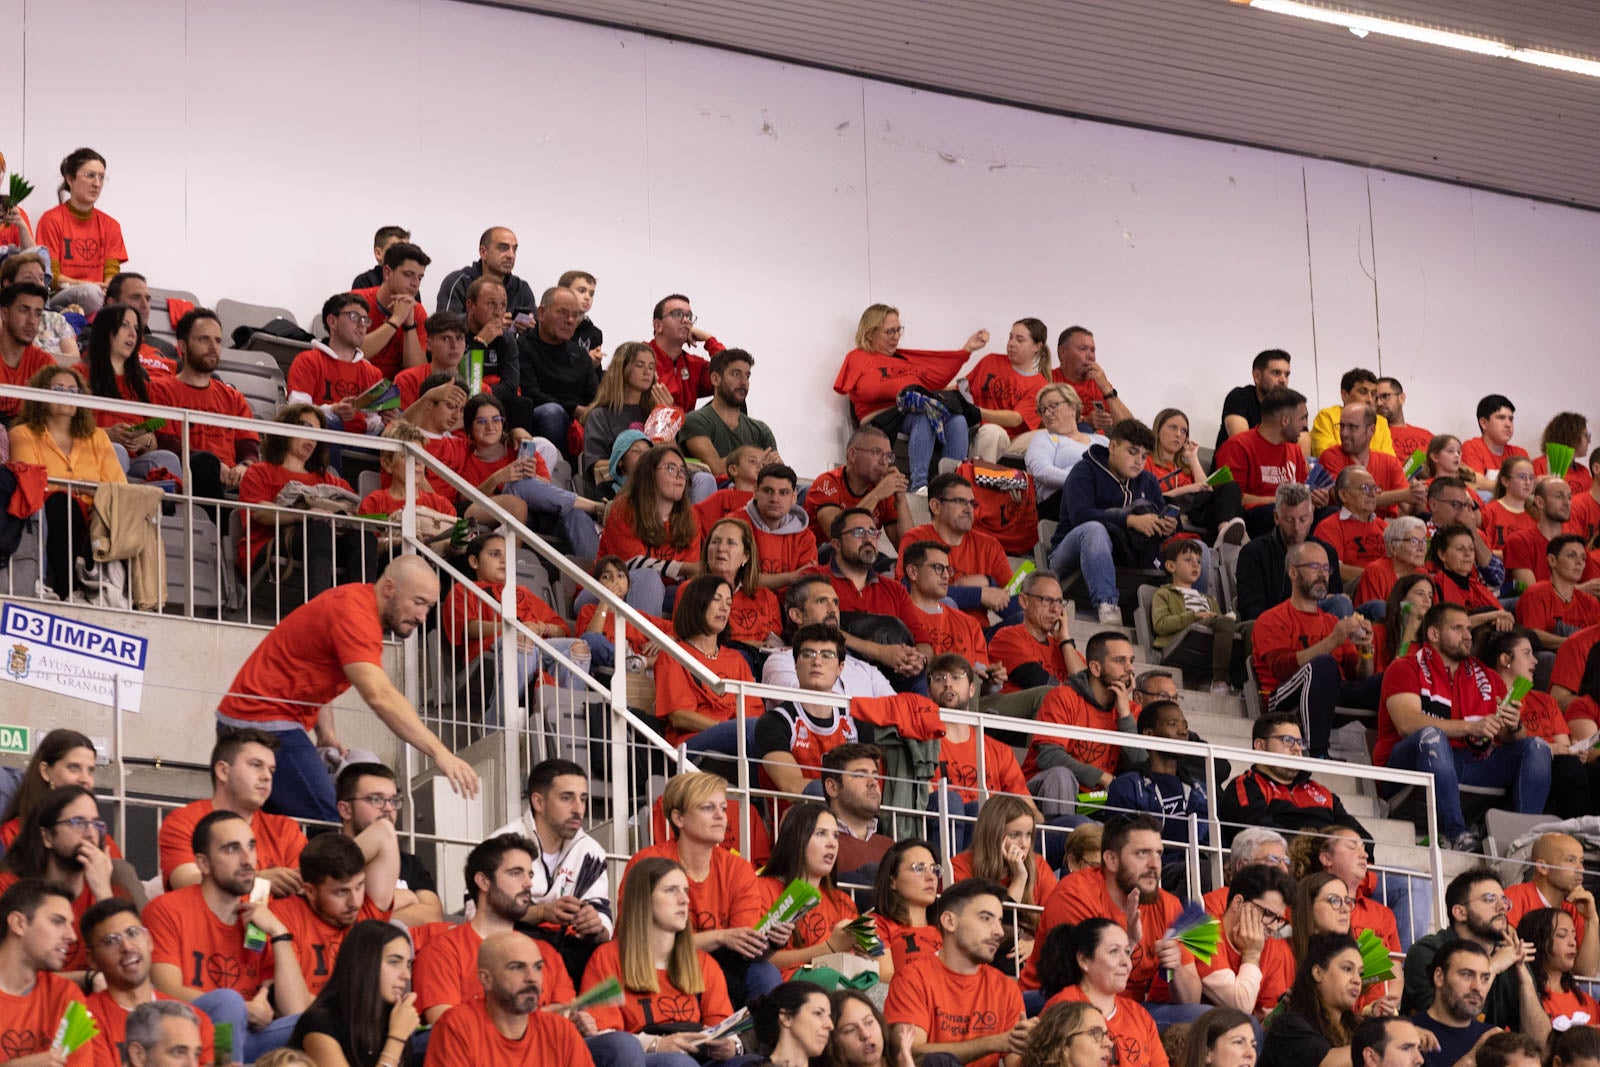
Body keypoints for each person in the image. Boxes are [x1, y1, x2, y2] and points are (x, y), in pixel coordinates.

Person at [215, 556, 480, 820]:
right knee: (330, 822)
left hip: (259, 720)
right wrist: (440, 752)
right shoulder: (355, 614)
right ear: (388, 588)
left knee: (278, 829)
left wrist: (326, 733)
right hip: (258, 722)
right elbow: (380, 696)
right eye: (418, 602)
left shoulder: (357, 605)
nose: (423, 617)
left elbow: (315, 671)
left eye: (430, 607)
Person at [1377, 603, 1550, 850]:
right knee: (1431, 736)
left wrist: (1513, 726)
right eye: (1458, 629)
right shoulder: (1405, 667)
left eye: (1469, 629)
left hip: (1469, 762)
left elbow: (1511, 737)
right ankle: (1457, 833)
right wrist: (1471, 727)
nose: (1468, 635)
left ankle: (1523, 842)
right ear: (1434, 634)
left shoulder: (1488, 677)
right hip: (1409, 766)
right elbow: (1407, 723)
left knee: (1536, 746)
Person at [146, 811, 312, 1060]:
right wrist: (242, 1009)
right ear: (203, 863)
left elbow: (294, 1008)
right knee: (228, 1002)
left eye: (251, 846)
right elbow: (167, 990)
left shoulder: (260, 917)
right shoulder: (167, 909)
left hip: (248, 1041)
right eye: (232, 849)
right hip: (190, 1037)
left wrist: (279, 933)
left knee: (316, 1024)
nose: (248, 860)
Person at [1025, 814, 1205, 1027]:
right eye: (1142, 854)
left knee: (1210, 1021)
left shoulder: (1170, 904)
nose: (1154, 865)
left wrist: (1177, 967)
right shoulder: (1074, 893)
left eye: (1158, 854)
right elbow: (1083, 984)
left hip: (1126, 1006)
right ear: (1111, 859)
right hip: (1052, 1000)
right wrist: (1129, 942)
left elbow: (1191, 999)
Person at [623, 773, 788, 1004]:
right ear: (678, 818)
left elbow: (743, 950)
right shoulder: (648, 862)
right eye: (708, 808)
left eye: (723, 808)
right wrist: (720, 937)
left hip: (718, 968)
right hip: (658, 964)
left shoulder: (739, 868)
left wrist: (771, 944)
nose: (721, 816)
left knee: (764, 971)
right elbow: (637, 941)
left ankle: (757, 1040)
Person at [577, 857, 738, 1064]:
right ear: (643, 899)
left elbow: (723, 1025)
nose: (685, 900)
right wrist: (657, 1044)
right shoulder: (608, 958)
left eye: (686, 891)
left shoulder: (704, 963)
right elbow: (608, 1040)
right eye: (671, 890)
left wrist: (731, 1045)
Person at [832, 304, 986, 492]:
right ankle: (919, 484)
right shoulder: (858, 357)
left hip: (912, 412)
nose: (896, 337)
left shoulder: (903, 359)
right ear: (870, 333)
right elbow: (867, 390)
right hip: (880, 418)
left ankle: (951, 485)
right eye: (890, 332)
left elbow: (937, 374)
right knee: (925, 415)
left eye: (898, 330)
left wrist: (966, 350)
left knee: (957, 420)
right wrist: (904, 394)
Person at [440, 532, 588, 726]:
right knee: (521, 642)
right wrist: (514, 627)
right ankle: (499, 725)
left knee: (579, 649)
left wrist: (543, 627)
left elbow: (562, 629)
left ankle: (561, 719)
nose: (503, 561)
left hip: (538, 645)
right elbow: (469, 628)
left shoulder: (522, 592)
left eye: (508, 556)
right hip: (492, 647)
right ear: (474, 561)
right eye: (495, 554)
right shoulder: (464, 589)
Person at [486, 759, 613, 985]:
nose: (578, 809)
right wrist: (542, 913)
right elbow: (478, 911)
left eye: (582, 799)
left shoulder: (591, 851)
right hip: (511, 950)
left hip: (569, 952)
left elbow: (603, 919)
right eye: (566, 798)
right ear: (538, 802)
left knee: (610, 956)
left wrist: (594, 925)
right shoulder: (501, 844)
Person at [8, 364, 127, 600]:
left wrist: (93, 497)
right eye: (59, 388)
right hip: (47, 513)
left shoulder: (98, 437)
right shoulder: (22, 434)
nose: (67, 395)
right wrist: (87, 488)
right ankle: (67, 591)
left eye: (74, 391)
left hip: (95, 514)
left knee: (120, 512)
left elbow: (119, 488)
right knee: (62, 502)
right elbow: (34, 483)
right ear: (42, 395)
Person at [1250, 541, 1378, 758]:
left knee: (1390, 678)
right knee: (1323, 665)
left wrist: (1366, 650)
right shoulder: (1271, 619)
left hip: (1330, 695)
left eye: (1326, 568)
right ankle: (1317, 754)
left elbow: (1358, 675)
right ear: (1292, 572)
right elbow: (1281, 668)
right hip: (1281, 699)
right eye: (1314, 567)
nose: (1323, 575)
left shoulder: (1331, 621)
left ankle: (1383, 767)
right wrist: (1332, 641)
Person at [884, 879, 1031, 1067]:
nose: (999, 931)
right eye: (986, 918)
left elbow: (1015, 1063)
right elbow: (912, 1054)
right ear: (950, 921)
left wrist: (1041, 1048)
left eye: (1000, 921)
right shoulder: (912, 978)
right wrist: (994, 1042)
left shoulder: (1006, 988)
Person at [235, 406, 377, 599]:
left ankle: (359, 609)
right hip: (270, 546)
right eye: (306, 428)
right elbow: (259, 512)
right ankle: (317, 609)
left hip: (326, 542)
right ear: (287, 428)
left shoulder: (331, 481)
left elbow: (354, 514)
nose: (311, 438)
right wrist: (305, 516)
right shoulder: (260, 472)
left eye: (317, 434)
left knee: (364, 537)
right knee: (318, 527)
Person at [1049, 418, 1175, 626]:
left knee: (1197, 549)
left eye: (1144, 456)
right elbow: (1080, 516)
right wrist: (1130, 520)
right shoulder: (1084, 470)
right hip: (1069, 552)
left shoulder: (1148, 481)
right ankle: (1107, 605)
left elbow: (1159, 518)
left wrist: (1167, 526)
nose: (1139, 461)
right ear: (1113, 447)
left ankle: (1187, 614)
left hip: (1125, 555)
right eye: (1132, 452)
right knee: (1094, 530)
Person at [1399, 866, 1549, 1038]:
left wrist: (1525, 980)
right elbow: (1444, 1025)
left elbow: (1541, 1041)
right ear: (1460, 912)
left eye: (1504, 901)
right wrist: (1491, 968)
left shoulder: (1510, 957)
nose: (1502, 907)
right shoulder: (1428, 950)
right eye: (1489, 899)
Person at [157, 730, 307, 892]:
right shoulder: (184, 821)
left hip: (275, 917)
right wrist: (258, 880)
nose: (267, 777)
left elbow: (307, 890)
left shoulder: (286, 829)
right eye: (256, 765)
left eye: (271, 770)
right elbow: (186, 882)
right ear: (223, 771)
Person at [0, 786, 128, 973]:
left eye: (96, 824)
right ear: (47, 837)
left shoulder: (113, 891)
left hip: (81, 1002)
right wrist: (85, 979)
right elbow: (9, 976)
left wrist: (103, 893)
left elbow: (124, 971)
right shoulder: (8, 889)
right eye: (77, 823)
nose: (90, 834)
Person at [423, 931, 593, 1067]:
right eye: (517, 967)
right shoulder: (457, 1027)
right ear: (486, 979)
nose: (532, 978)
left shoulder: (561, 1032)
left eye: (538, 967)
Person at [752, 802, 880, 980]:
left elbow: (872, 960)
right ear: (796, 839)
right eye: (821, 834)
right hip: (789, 987)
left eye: (836, 836)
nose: (832, 844)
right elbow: (761, 961)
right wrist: (829, 948)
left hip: (841, 983)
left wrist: (868, 950)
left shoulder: (842, 900)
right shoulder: (763, 889)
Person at [83, 899, 218, 1067]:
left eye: (133, 933)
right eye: (111, 940)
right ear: (92, 959)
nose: (127, 947)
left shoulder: (195, 1017)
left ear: (149, 940)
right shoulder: (84, 1021)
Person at [1023, 632, 1146, 811]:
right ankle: (1059, 836)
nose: (1130, 668)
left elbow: (1143, 767)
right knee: (1061, 776)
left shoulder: (1130, 710)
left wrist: (1125, 718)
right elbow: (1049, 757)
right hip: (1043, 796)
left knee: (1138, 792)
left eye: (1131, 661)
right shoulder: (1063, 697)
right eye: (1120, 661)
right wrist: (1103, 777)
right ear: (1095, 668)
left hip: (1092, 801)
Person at [807, 509, 927, 688]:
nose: (868, 538)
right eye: (858, 532)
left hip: (895, 675)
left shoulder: (895, 589)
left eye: (873, 532)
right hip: (837, 670)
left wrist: (917, 660)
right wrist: (879, 651)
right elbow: (811, 628)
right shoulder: (814, 579)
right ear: (836, 543)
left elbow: (923, 641)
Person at [1486, 630, 1600, 818]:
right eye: (1526, 653)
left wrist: (1573, 750)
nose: (1535, 661)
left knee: (1579, 767)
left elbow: (1564, 745)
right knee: (1569, 769)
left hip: (1556, 763)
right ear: (1505, 659)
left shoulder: (1545, 701)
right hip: (1510, 762)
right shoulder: (1489, 696)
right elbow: (1497, 742)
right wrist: (1559, 749)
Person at [273, 832, 398, 998]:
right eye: (342, 892)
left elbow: (385, 833)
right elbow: (295, 1004)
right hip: (306, 1020)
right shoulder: (284, 916)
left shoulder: (365, 914)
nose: (354, 902)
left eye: (359, 886)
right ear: (310, 890)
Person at [653, 573, 764, 755]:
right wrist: (725, 729)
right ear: (698, 603)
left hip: (739, 739)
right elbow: (679, 716)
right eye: (716, 600)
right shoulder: (673, 654)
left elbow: (753, 712)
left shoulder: (736, 659)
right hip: (692, 744)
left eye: (729, 603)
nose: (724, 608)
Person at [1035, 919, 1167, 1067]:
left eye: (1127, 952)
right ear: (1083, 960)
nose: (1126, 962)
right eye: (1114, 951)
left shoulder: (1139, 1015)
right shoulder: (1063, 1007)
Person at [159, 308, 260, 500]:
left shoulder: (234, 398)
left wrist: (245, 465)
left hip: (232, 481)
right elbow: (165, 443)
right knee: (205, 463)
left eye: (218, 340)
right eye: (204, 339)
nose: (213, 346)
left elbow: (248, 445)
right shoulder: (161, 390)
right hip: (189, 476)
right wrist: (214, 464)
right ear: (183, 345)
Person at [289, 919, 419, 1067]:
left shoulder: (391, 1016)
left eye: (408, 964)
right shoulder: (320, 1024)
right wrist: (397, 1038)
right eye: (394, 962)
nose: (406, 975)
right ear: (365, 964)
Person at [76, 302, 183, 478]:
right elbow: (67, 426)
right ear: (105, 330)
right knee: (116, 450)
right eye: (124, 325)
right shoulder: (79, 374)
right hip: (90, 453)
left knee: (167, 458)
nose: (133, 333)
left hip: (135, 458)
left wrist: (145, 438)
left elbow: (157, 425)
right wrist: (106, 434)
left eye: (135, 327)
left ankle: (170, 507)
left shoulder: (142, 383)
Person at [597, 443, 704, 615]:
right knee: (648, 578)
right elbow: (627, 564)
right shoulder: (623, 509)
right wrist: (683, 568)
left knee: (705, 591)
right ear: (650, 474)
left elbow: (689, 574)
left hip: (666, 593)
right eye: (671, 468)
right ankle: (639, 640)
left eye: (683, 470)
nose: (680, 475)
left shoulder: (690, 517)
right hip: (609, 589)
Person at [898, 473, 1016, 624]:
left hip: (980, 635)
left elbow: (1013, 603)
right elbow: (908, 589)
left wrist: (989, 582)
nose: (969, 509)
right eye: (960, 501)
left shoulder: (989, 545)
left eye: (972, 503)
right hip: (933, 635)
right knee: (947, 604)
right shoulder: (916, 538)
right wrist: (979, 594)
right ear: (936, 506)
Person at [1105, 701, 1211, 868]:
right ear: (1149, 734)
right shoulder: (1128, 786)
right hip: (1151, 870)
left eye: (1185, 725)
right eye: (1172, 724)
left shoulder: (1201, 790)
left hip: (1196, 870)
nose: (1183, 731)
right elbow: (1123, 847)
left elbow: (1213, 843)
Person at [334, 763, 443, 927]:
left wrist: (370, 913)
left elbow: (433, 916)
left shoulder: (410, 863)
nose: (388, 809)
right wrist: (406, 897)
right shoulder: (326, 856)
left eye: (393, 800)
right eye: (375, 799)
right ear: (345, 809)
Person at [0, 881, 94, 1067]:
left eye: (71, 924)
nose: (72, 936)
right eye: (57, 921)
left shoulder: (66, 994)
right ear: (18, 923)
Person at [761, 574, 898, 698]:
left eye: (835, 603)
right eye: (821, 601)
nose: (833, 610)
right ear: (797, 615)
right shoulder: (781, 661)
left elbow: (897, 711)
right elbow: (807, 706)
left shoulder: (865, 670)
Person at [926, 654, 1033, 807]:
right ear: (929, 694)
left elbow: (1030, 811)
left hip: (993, 828)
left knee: (1074, 822)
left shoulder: (1000, 752)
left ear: (972, 689)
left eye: (956, 677)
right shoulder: (923, 748)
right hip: (947, 825)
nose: (948, 683)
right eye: (939, 678)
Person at [949, 795, 1054, 952]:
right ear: (993, 834)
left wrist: (1037, 946)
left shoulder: (1038, 865)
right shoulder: (960, 866)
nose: (1024, 844)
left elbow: (1058, 923)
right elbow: (992, 930)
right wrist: (1019, 879)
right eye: (1015, 835)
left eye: (1029, 834)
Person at [1236, 483, 1351, 622]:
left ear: (1312, 515)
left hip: (1322, 622)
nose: (1297, 528)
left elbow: (1334, 597)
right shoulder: (1254, 553)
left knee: (1374, 607)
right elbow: (1252, 610)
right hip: (1279, 624)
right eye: (1289, 520)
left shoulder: (1326, 552)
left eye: (1303, 519)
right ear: (1276, 517)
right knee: (1340, 604)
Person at [1193, 865, 1295, 1017]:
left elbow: (1264, 1016)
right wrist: (1252, 955)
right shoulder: (1202, 933)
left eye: (1279, 919)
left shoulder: (1270, 947)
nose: (1274, 927)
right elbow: (1240, 1007)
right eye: (1268, 914)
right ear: (1238, 903)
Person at [0, 729, 117, 858]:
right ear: (45, 771)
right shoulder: (12, 834)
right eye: (74, 768)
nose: (85, 779)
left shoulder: (100, 839)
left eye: (90, 771)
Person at [35, 148, 125, 315]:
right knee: (91, 293)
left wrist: (105, 289)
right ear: (70, 178)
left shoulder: (111, 225)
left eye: (101, 177)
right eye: (90, 175)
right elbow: (51, 278)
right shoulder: (51, 220)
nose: (97, 183)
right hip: (61, 295)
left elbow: (112, 274)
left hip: (100, 297)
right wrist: (85, 285)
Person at [1153, 538, 1248, 694]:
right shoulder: (1164, 593)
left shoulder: (1208, 599)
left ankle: (1247, 681)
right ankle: (1219, 681)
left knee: (1254, 626)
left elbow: (1220, 621)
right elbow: (1161, 624)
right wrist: (1195, 616)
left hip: (1210, 633)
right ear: (1171, 566)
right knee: (1223, 621)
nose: (1196, 564)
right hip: (1184, 637)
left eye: (1198, 561)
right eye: (1188, 560)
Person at [1214, 389, 1312, 536]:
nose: (1305, 425)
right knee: (1278, 515)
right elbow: (1234, 499)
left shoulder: (1295, 451)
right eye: (1302, 418)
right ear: (1285, 420)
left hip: (1290, 515)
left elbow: (1303, 492)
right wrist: (1282, 502)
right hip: (1255, 518)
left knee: (1326, 514)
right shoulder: (1237, 446)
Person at [1497, 832, 1598, 971]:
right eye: (1570, 860)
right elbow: (1507, 953)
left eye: (1581, 861)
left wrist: (1591, 919)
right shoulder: (1515, 897)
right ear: (1543, 867)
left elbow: (1586, 973)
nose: (1581, 869)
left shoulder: (1577, 906)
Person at [515, 286, 600, 451]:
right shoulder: (522, 347)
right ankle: (555, 471)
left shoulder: (580, 354)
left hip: (577, 421)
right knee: (552, 412)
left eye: (575, 315)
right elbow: (529, 393)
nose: (570, 320)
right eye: (562, 313)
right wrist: (573, 409)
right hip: (541, 418)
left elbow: (594, 397)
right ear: (541, 313)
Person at [1257, 932, 1361, 1067]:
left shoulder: (1353, 1028)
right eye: (1347, 969)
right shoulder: (1290, 1026)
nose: (1357, 980)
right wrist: (1380, 1042)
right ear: (1318, 973)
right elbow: (1326, 1064)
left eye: (1360, 973)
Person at [1146, 408, 1247, 544]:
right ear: (1158, 430)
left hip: (1195, 510)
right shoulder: (1146, 461)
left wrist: (1193, 458)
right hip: (1171, 506)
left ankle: (1225, 534)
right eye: (1172, 427)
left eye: (1184, 431)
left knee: (1231, 486)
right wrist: (1189, 488)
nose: (1178, 435)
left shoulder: (1184, 468)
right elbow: (1152, 498)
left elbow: (1207, 489)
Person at [288, 294, 385, 435]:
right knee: (332, 421)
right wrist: (332, 410)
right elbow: (297, 412)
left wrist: (387, 421)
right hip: (319, 439)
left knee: (398, 431)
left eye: (365, 320)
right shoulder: (308, 361)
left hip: (363, 441)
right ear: (332, 322)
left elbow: (373, 423)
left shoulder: (373, 372)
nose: (362, 325)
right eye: (354, 316)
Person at [582, 342, 672, 491]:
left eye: (651, 367)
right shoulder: (600, 415)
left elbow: (673, 457)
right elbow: (595, 466)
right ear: (622, 369)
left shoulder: (654, 412)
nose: (647, 372)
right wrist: (633, 461)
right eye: (640, 365)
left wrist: (666, 418)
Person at [678, 348, 779, 479]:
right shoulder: (695, 420)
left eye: (747, 376)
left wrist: (775, 466)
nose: (743, 382)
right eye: (736, 374)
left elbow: (778, 475)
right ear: (715, 379)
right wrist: (758, 461)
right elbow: (716, 469)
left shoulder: (761, 430)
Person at [806, 425, 909, 547]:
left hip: (860, 554)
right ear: (852, 454)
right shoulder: (827, 483)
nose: (884, 462)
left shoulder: (882, 489)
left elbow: (907, 550)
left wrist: (901, 500)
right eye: (877, 453)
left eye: (888, 456)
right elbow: (837, 534)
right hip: (822, 554)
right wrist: (876, 495)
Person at [968, 318, 1052, 463]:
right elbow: (962, 387)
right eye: (1010, 337)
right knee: (991, 433)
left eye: (1020, 340)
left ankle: (982, 482)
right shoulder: (990, 361)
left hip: (1010, 442)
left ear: (1037, 347)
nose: (1012, 343)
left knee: (994, 433)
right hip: (975, 432)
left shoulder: (1040, 385)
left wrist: (978, 412)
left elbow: (1016, 419)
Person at [1316, 404, 1422, 516]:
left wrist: (1418, 497)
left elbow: (1409, 509)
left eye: (1352, 427)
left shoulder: (1390, 462)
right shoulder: (1331, 456)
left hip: (1387, 528)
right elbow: (1349, 501)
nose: (1344, 433)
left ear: (1371, 430)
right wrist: (1403, 495)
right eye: (1341, 426)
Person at [1406, 940, 1496, 1067]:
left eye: (1485, 978)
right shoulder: (1407, 1035)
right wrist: (1470, 1060)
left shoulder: (1492, 1038)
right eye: (1467, 975)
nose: (1478, 987)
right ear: (1439, 977)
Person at [701, 516, 783, 652]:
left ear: (745, 556)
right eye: (715, 541)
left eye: (731, 543)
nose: (721, 548)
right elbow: (690, 641)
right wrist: (746, 645)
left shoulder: (766, 597)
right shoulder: (689, 591)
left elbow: (774, 647)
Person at [1025, 385, 1105, 519]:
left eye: (1053, 406)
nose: (1047, 413)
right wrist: (1085, 482)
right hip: (1062, 503)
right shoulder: (1044, 437)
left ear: (1073, 407)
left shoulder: (1101, 440)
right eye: (1043, 410)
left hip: (1105, 498)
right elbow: (1042, 472)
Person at [1505, 480, 1600, 591]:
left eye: (1569, 497)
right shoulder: (1519, 541)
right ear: (1540, 502)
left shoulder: (1577, 546)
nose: (1566, 502)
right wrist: (1580, 590)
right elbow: (1531, 593)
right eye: (1559, 496)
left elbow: (1594, 588)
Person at [354, 243, 430, 380]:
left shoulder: (417, 311)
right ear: (387, 272)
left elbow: (417, 373)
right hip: (355, 384)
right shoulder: (356, 302)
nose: (415, 283)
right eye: (408, 275)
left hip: (395, 391)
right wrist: (396, 320)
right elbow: (352, 353)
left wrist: (409, 325)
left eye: (420, 277)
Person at [831, 987, 961, 1067]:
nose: (865, 1034)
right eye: (850, 1030)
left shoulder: (937, 1063)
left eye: (869, 1022)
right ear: (833, 1043)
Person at [821, 744, 895, 883]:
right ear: (832, 787)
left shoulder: (891, 847)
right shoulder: (816, 843)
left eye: (875, 776)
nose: (873, 783)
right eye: (860, 775)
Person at [871, 840, 943, 976]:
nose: (931, 877)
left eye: (935, 869)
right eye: (919, 868)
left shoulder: (948, 929)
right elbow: (884, 978)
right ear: (893, 881)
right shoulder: (873, 924)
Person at [1518, 907, 1598, 1030]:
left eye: (1574, 935)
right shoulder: (1525, 999)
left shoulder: (1587, 1001)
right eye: (1562, 935)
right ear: (1539, 941)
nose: (1573, 943)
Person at [1514, 534, 1600, 647]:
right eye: (1571, 556)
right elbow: (1532, 635)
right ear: (1552, 560)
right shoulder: (1536, 594)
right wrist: (1571, 644)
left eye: (1583, 558)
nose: (1579, 562)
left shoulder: (1590, 602)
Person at [434, 227, 537, 320]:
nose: (511, 255)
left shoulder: (521, 289)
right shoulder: (458, 282)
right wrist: (487, 324)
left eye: (514, 249)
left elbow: (536, 330)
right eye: (503, 248)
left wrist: (529, 327)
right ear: (483, 252)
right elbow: (445, 327)